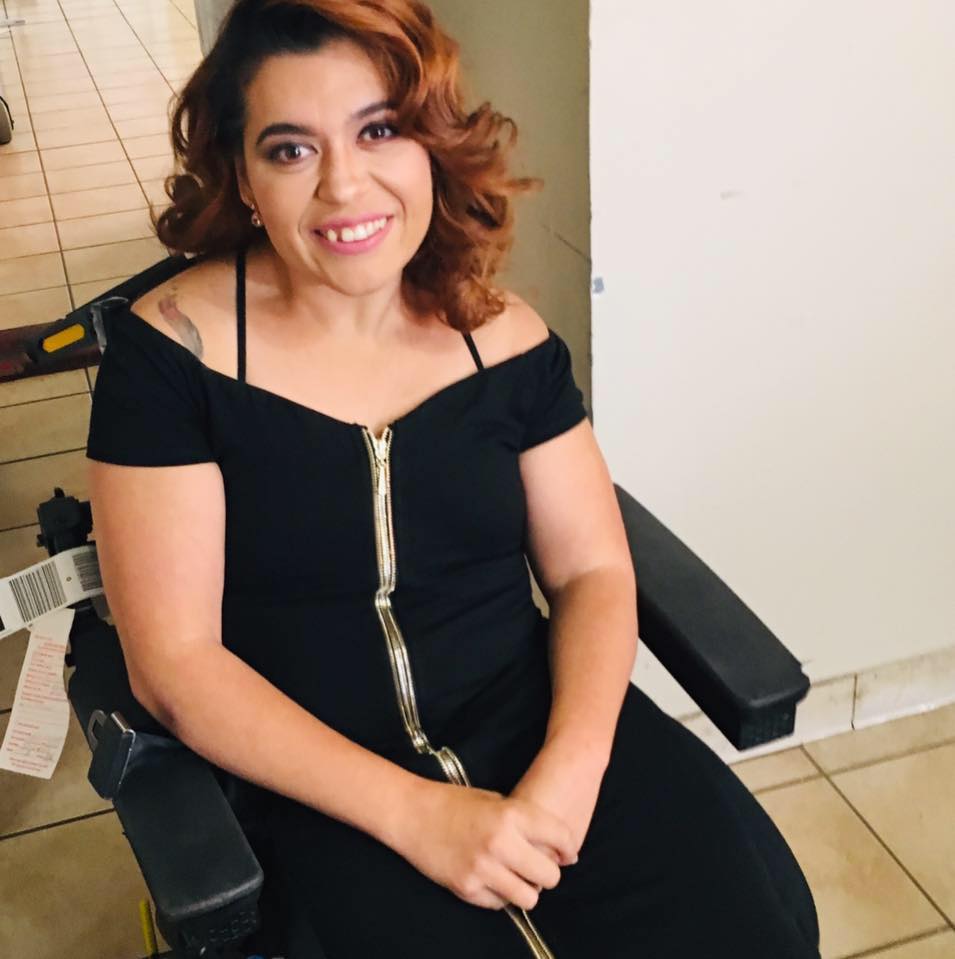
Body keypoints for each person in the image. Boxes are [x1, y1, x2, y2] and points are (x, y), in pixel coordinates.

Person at [85, 1, 821, 956]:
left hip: (539, 729)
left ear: (430, 141)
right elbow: (177, 663)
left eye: (378, 129)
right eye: (290, 149)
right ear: (243, 176)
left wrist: (570, 770)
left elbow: (592, 571)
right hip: (316, 785)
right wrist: (420, 816)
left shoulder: (504, 338)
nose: (345, 187)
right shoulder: (169, 358)